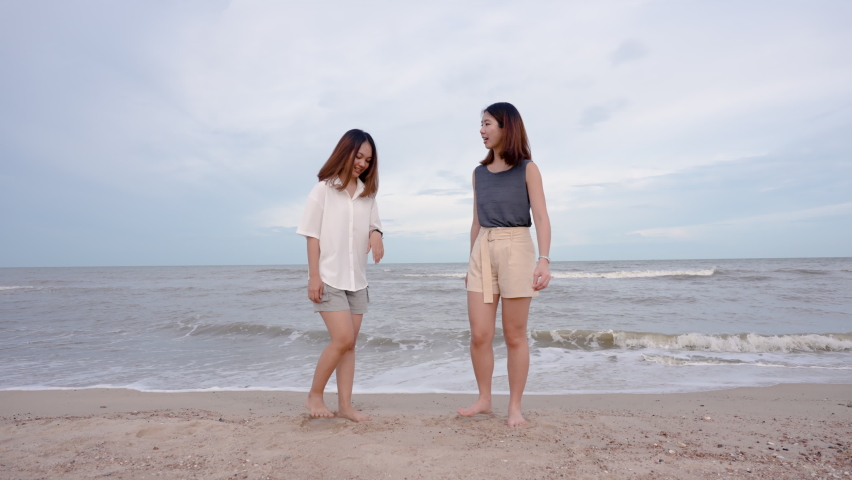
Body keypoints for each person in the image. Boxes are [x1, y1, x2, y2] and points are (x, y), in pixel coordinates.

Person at [458, 102, 552, 427]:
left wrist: (544, 259)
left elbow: (540, 216)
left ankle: (514, 407)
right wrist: (470, 259)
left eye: (487, 124)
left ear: (505, 127)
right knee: (480, 334)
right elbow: (475, 221)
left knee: (514, 335)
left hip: (517, 246)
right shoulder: (478, 173)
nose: (482, 131)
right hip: (483, 247)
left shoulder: (528, 169)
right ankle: (484, 400)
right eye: (481, 125)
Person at [296, 129, 384, 422]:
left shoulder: (366, 194)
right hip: (329, 276)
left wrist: (376, 235)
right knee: (342, 338)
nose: (362, 163)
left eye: (368, 160)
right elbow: (311, 235)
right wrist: (313, 277)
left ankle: (345, 406)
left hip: (357, 280)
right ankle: (314, 395)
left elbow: (374, 224)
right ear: (345, 152)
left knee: (350, 345)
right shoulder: (323, 190)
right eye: (358, 156)